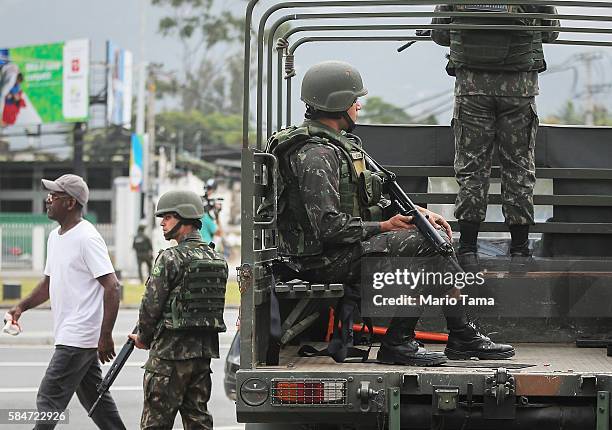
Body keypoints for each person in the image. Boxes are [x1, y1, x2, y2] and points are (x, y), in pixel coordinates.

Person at [265, 60, 514, 365]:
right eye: (354, 99)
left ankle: (458, 335)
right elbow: (328, 227)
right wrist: (385, 227)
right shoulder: (317, 155)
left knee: (433, 240)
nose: (358, 105)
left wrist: (419, 213)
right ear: (338, 103)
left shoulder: (336, 145)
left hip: (340, 250)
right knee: (428, 245)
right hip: (321, 260)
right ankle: (406, 341)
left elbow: (365, 197)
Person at [430, 4, 560, 270]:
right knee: (519, 167)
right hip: (519, 89)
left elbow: (440, 34)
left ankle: (467, 250)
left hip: (472, 90)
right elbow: (551, 32)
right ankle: (520, 251)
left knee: (472, 168)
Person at [7, 174, 125, 430]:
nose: (47, 200)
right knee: (97, 402)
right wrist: (21, 307)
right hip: (73, 335)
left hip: (78, 336)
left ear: (70, 203)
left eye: (53, 196)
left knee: (48, 398)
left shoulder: (87, 238)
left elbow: (113, 286)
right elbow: (49, 283)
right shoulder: (55, 237)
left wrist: (105, 335)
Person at [129, 190, 228, 430]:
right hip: (201, 358)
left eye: (168, 217)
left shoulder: (170, 258)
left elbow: (150, 307)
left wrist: (143, 338)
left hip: (168, 358)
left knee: (155, 423)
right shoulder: (217, 259)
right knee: (198, 421)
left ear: (184, 219)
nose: (162, 222)